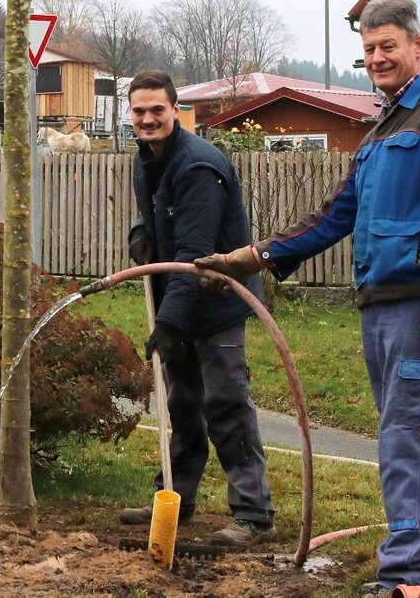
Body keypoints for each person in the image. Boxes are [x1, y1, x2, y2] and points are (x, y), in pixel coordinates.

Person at [196, 0, 420, 596]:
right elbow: (335, 216)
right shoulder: (383, 127)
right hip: (381, 305)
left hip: (419, 304)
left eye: (388, 47)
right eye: (369, 50)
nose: (378, 58)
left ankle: (404, 572)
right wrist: (254, 256)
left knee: (408, 435)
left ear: (417, 47)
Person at [117, 70, 277, 548]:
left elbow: (193, 256)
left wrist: (166, 323)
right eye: (139, 111)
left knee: (225, 405)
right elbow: (160, 216)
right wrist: (140, 231)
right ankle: (175, 498)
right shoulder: (145, 159)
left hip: (216, 303)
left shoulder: (198, 168)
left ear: (175, 112)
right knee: (184, 406)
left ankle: (253, 513)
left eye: (156, 111)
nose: (147, 120)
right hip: (178, 300)